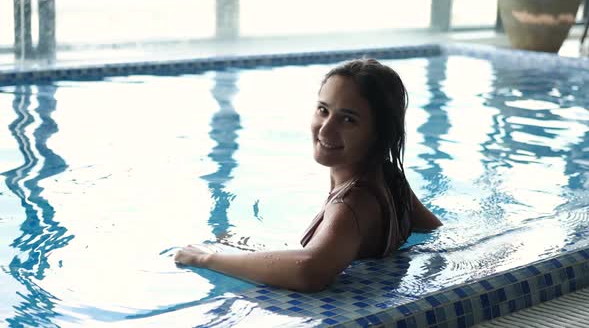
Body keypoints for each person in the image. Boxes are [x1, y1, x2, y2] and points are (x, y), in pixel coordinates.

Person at [174, 58, 442, 293]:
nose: (325, 130)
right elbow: (431, 228)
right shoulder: (388, 174)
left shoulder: (352, 204)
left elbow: (308, 270)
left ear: (379, 133)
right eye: (323, 110)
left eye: (348, 120)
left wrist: (206, 259)